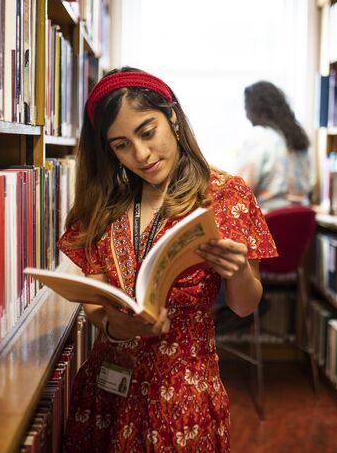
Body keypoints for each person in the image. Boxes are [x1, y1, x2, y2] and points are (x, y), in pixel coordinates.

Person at [57, 67, 277, 451]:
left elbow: (244, 306)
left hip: (181, 395)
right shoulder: (105, 204)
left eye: (147, 132)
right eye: (121, 145)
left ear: (172, 116)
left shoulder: (227, 196)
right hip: (104, 390)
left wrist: (239, 270)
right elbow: (93, 296)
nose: (140, 155)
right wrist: (114, 326)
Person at [236, 81, 312, 211]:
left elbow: (240, 190)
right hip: (301, 222)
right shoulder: (298, 138)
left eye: (246, 107)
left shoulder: (259, 137)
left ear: (254, 109)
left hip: (268, 224)